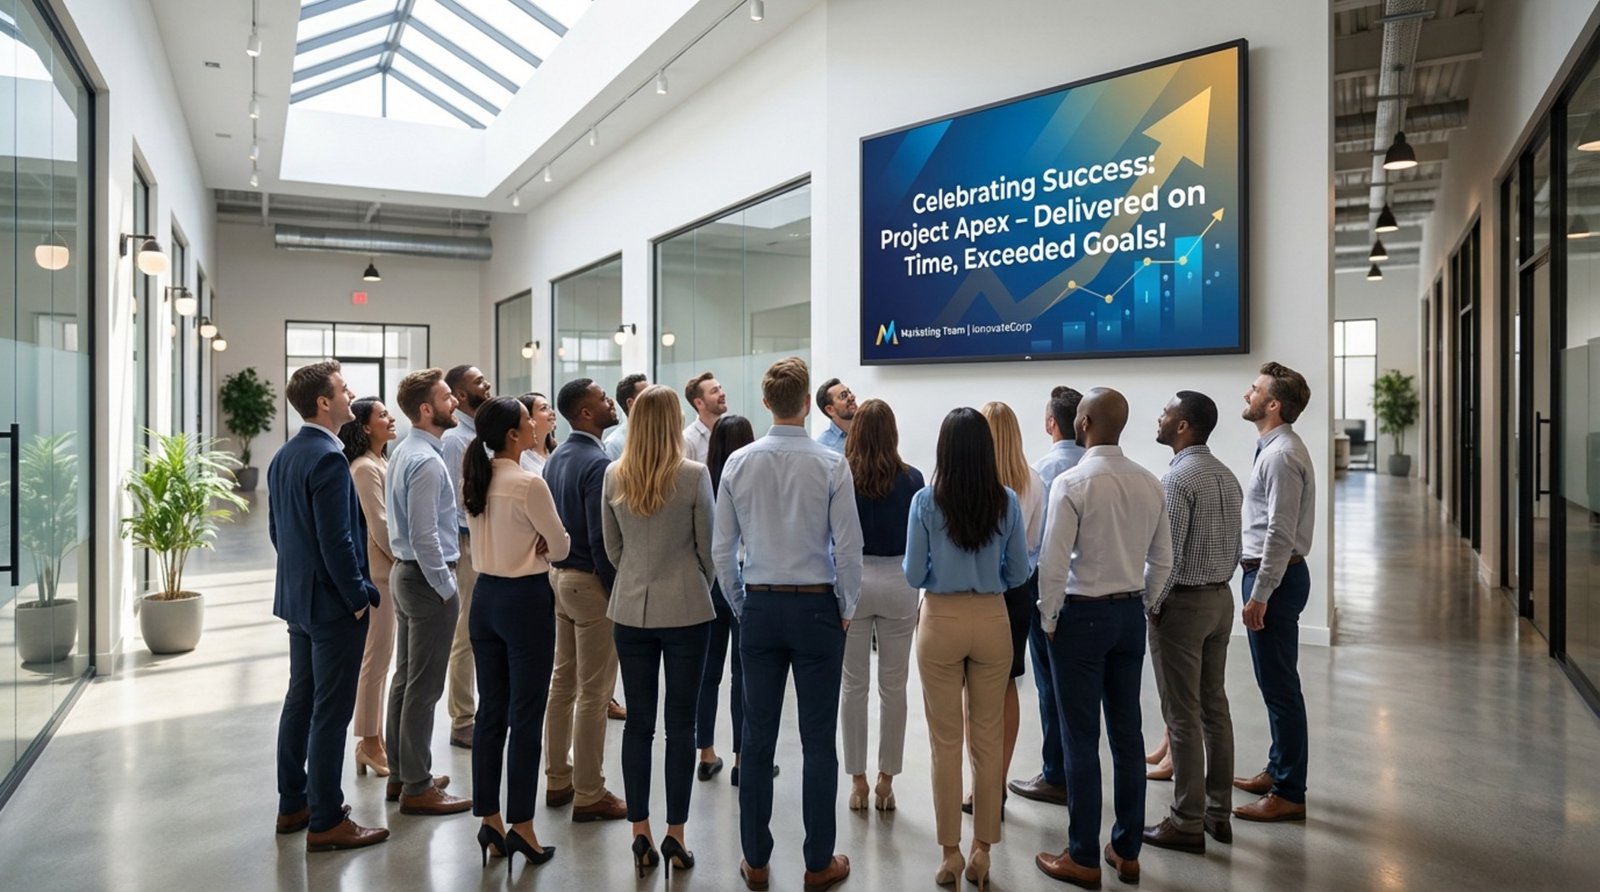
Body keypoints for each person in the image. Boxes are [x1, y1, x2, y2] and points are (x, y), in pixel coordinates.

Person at [713, 356, 862, 892]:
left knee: (756, 739)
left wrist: (739, 602)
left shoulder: (737, 464)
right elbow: (849, 549)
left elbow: (722, 548)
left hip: (759, 606)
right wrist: (846, 608)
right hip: (818, 607)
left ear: (767, 401)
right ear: (806, 404)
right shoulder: (830, 465)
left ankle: (755, 861)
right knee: (819, 740)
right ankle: (818, 862)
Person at [1035, 388, 1173, 888]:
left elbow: (1052, 564)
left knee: (1079, 739)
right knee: (1127, 733)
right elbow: (1164, 558)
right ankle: (1127, 849)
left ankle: (1082, 857)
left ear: (1085, 421)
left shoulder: (1071, 482)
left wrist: (1050, 619)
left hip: (1080, 618)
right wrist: (1146, 602)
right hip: (1127, 616)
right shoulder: (1149, 481)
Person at [905, 407, 1028, 890]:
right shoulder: (1008, 501)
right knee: (987, 737)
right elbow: (1019, 574)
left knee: (944, 743)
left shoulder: (924, 501)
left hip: (940, 618)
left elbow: (914, 574)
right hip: (993, 618)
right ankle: (983, 851)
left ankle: (950, 853)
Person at [269, 361, 388, 852]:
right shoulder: (327, 458)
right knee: (329, 712)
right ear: (324, 402)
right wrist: (358, 597)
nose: (350, 394)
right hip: (333, 607)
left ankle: (293, 804)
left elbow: (278, 533)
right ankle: (325, 819)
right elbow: (338, 541)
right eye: (343, 389)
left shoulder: (284, 456)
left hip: (298, 600)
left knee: (301, 702)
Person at [601, 385, 717, 879]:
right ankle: (676, 834)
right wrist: (696, 585)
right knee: (682, 725)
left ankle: (639, 833)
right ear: (674, 422)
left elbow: (611, 549)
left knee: (639, 725)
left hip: (630, 608)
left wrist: (635, 581)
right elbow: (708, 549)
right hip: (687, 607)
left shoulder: (613, 474)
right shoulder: (693, 475)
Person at [461, 396, 570, 874]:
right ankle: (523, 826)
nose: (536, 425)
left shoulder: (476, 479)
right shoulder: (529, 483)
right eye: (528, 420)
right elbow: (562, 545)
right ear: (512, 434)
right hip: (524, 600)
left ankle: (489, 817)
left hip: (484, 599)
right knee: (526, 716)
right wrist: (542, 544)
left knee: (491, 713)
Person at [1142, 391, 1243, 853]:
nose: (1159, 418)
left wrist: (1152, 604)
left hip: (1183, 606)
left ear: (1183, 426)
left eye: (1166, 413)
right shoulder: (1226, 476)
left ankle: (1185, 820)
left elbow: (1168, 556)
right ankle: (1218, 815)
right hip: (1221, 600)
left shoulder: (1177, 480)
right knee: (1214, 708)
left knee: (1180, 716)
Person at [384, 367, 473, 816]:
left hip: (408, 575)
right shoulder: (426, 460)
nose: (454, 402)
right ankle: (417, 787)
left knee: (405, 680)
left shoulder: (405, 450)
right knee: (422, 687)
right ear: (426, 409)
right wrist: (446, 586)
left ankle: (403, 774)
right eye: (446, 398)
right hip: (424, 579)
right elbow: (425, 535)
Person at [1233, 362, 1316, 824]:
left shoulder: (1281, 455)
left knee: (1281, 687)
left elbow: (1280, 535)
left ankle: (1289, 792)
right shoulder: (1274, 448)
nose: (1248, 393)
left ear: (1273, 405)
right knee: (1274, 683)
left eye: (1256, 389)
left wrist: (1260, 593)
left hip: (1276, 579)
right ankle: (1278, 769)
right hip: (1274, 576)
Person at [543, 377, 628, 821]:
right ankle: (590, 792)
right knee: (594, 692)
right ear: (585, 414)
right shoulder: (596, 462)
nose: (610, 401)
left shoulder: (557, 456)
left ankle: (557, 778)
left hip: (560, 578)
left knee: (563, 681)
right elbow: (601, 539)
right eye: (602, 398)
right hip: (590, 584)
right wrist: (616, 590)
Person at [842, 399, 922, 813]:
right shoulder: (913, 479)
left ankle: (856, 779)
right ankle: (885, 781)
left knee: (854, 686)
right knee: (894, 687)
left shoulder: (841, 474)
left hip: (853, 580)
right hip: (898, 579)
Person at [1010, 385, 1083, 807]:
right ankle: (1077, 768)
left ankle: (1055, 773)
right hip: (1096, 593)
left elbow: (1030, 540)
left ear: (1051, 423)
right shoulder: (1096, 466)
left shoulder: (1042, 470)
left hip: (1048, 590)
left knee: (1049, 684)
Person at [977, 401, 1045, 816]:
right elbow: (1033, 545)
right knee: (1007, 687)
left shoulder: (971, 483)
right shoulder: (1034, 482)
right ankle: (998, 784)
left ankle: (978, 787)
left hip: (977, 593)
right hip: (1017, 593)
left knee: (972, 696)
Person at [695, 414, 759, 785]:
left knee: (708, 672)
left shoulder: (703, 478)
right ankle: (740, 759)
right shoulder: (753, 476)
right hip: (746, 579)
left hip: (710, 582)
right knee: (743, 675)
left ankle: (705, 753)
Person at [337, 398, 398, 779]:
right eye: (382, 415)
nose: (391, 419)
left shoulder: (381, 462)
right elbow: (380, 526)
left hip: (389, 573)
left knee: (381, 659)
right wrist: (409, 559)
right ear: (363, 427)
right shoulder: (363, 468)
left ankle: (375, 739)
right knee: (375, 661)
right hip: (380, 574)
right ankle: (369, 743)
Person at [440, 364, 494, 750]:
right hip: (467, 543)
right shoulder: (457, 440)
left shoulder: (480, 434)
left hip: (487, 541)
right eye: (478, 382)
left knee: (483, 631)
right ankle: (462, 718)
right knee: (465, 633)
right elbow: (454, 501)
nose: (486, 384)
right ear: (459, 395)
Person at [682, 371, 728, 463]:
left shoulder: (731, 430)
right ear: (699, 403)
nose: (722, 393)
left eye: (720, 388)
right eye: (715, 391)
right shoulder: (688, 440)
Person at [604, 373, 649, 461]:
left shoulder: (662, 436)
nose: (656, 397)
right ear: (631, 403)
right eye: (648, 396)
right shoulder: (614, 445)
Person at [516, 392, 559, 476]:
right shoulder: (520, 458)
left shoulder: (557, 451)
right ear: (528, 417)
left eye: (550, 408)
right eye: (544, 408)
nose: (552, 413)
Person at [815, 378, 858, 453]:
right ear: (830, 410)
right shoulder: (823, 447)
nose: (852, 397)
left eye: (849, 392)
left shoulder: (870, 430)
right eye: (843, 396)